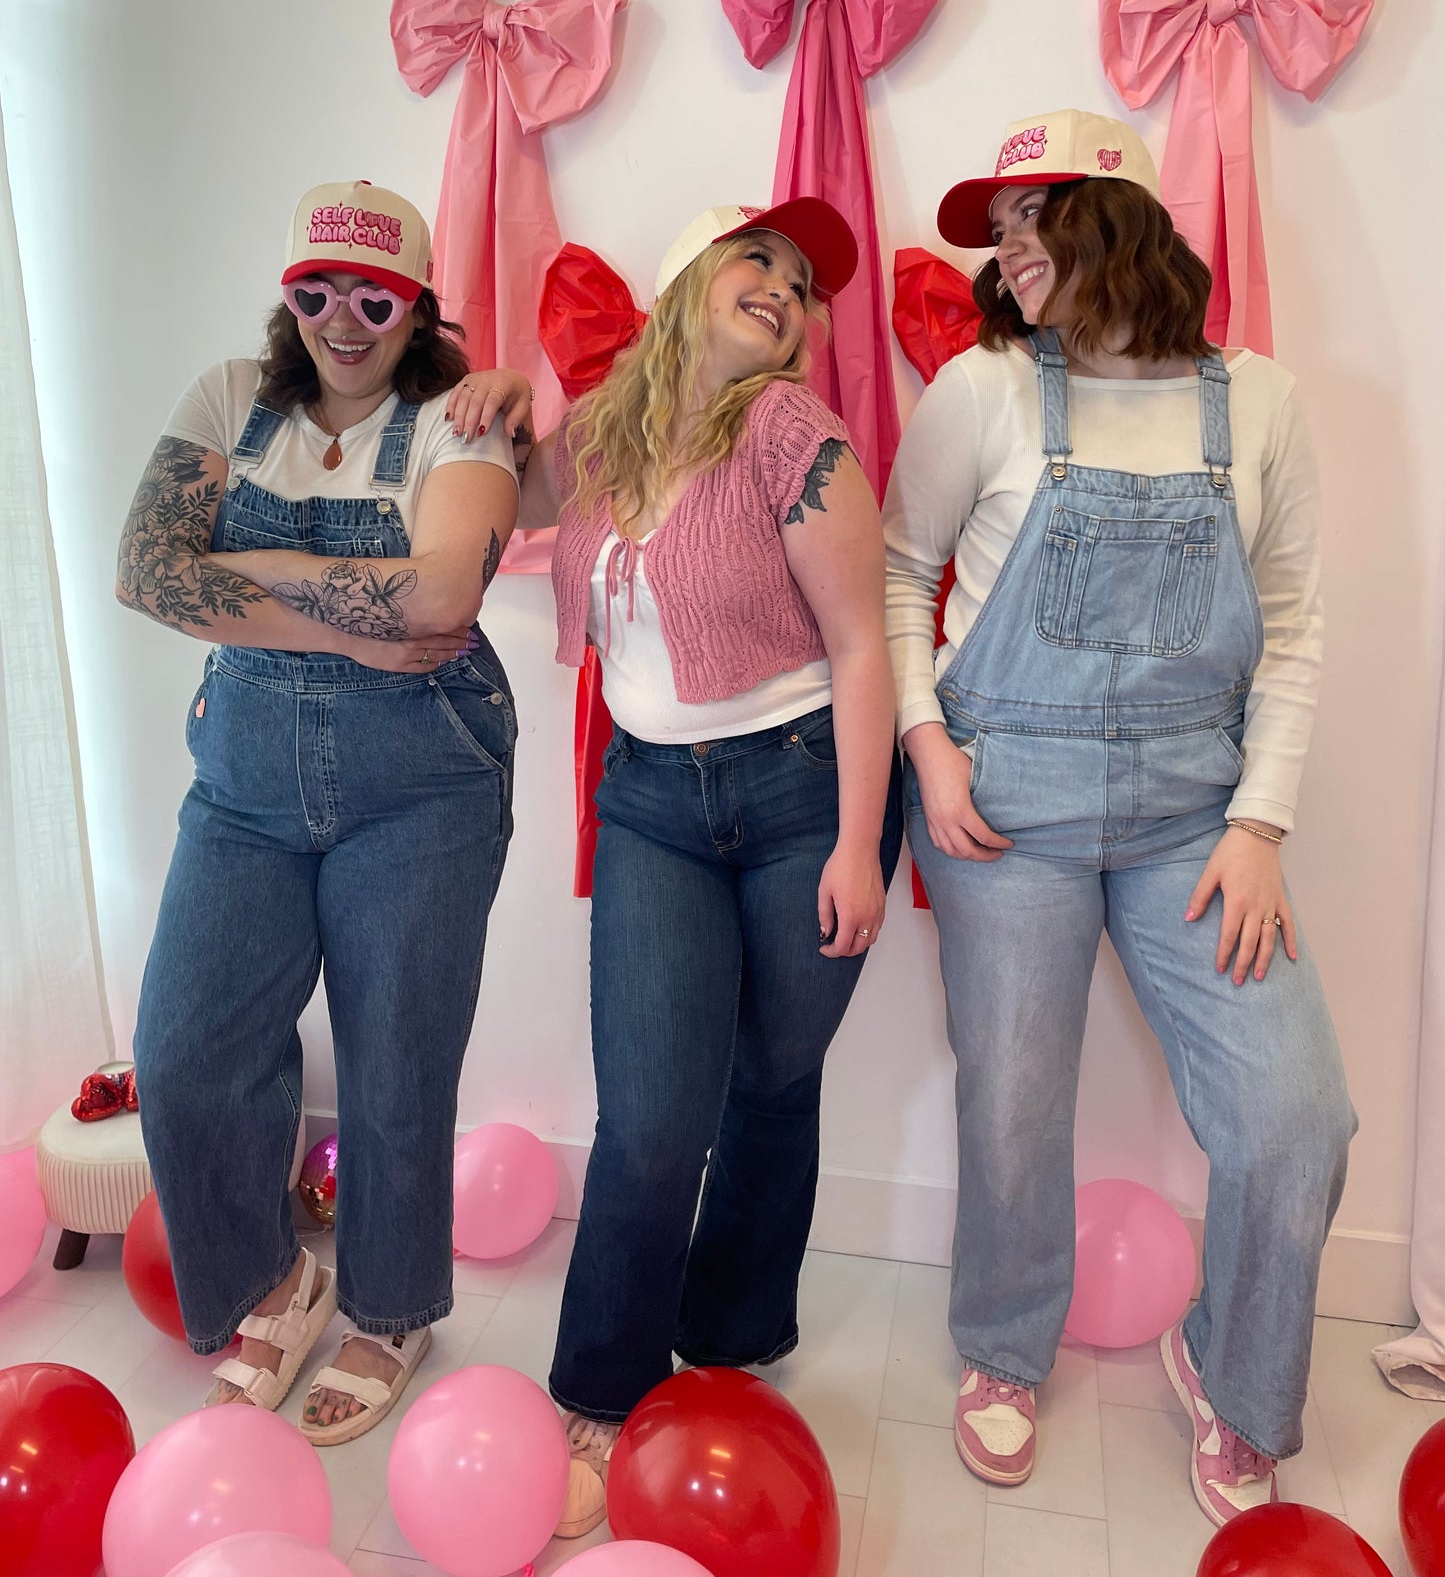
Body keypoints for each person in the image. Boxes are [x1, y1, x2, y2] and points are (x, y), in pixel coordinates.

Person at [883, 112, 1354, 1526]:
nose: (1009, 244)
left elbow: (1296, 626)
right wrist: (929, 750)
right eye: (999, 223)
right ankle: (1003, 1345)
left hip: (1193, 817)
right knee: (1012, 1094)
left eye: (1040, 214)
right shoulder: (981, 389)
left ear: (1122, 222)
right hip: (1002, 796)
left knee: (1294, 1116)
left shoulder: (1255, 400)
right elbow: (904, 573)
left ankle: (1235, 1370)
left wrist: (1260, 821)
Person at [448, 197, 905, 1536]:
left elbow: (864, 645)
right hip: (650, 800)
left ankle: (732, 1333)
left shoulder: (794, 438)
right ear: (683, 284)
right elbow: (505, 481)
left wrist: (857, 847)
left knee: (772, 1073)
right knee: (653, 1119)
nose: (786, 287)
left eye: (803, 282)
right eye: (758, 259)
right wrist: (482, 390)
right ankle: (599, 1385)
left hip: (805, 788)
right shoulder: (598, 434)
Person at [122, 180, 523, 1444]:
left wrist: (233, 577)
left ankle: (391, 1309)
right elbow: (143, 568)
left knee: (398, 1059)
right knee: (186, 1049)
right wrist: (337, 608)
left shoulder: (459, 418)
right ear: (284, 295)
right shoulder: (226, 395)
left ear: (416, 307)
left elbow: (445, 591)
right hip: (241, 775)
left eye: (373, 297)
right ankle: (275, 1280)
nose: (340, 322)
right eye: (314, 293)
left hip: (424, 775)